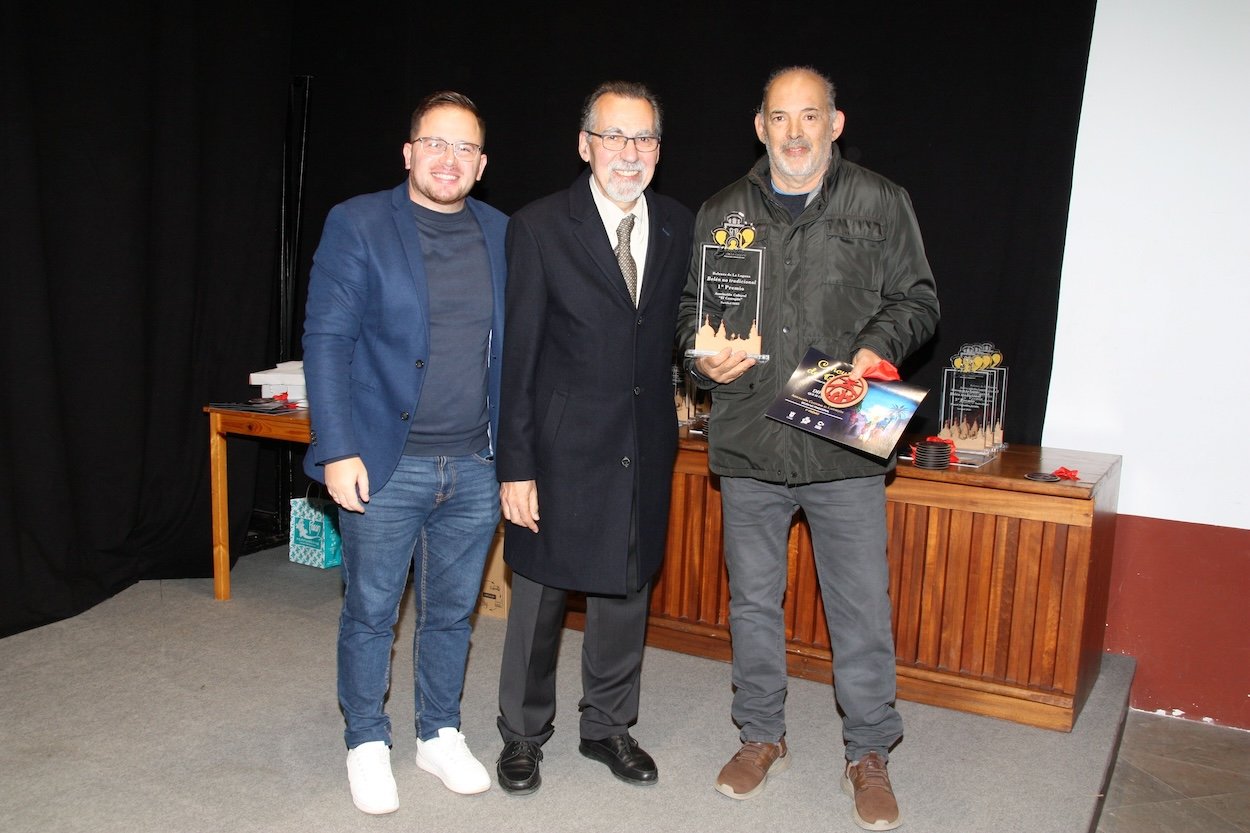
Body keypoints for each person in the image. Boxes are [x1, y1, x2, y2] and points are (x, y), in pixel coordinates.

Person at [677, 66, 939, 831]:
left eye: (810, 116)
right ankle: (761, 735)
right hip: (751, 436)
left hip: (843, 442)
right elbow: (693, 313)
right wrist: (701, 359)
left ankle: (868, 752)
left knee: (859, 606)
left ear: (836, 122)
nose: (795, 131)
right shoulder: (721, 210)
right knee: (753, 601)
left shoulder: (882, 202)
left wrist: (876, 348)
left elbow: (919, 298)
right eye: (780, 118)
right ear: (760, 127)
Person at [301, 90, 508, 814]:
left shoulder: (504, 232)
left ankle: (439, 733)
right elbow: (327, 339)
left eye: (465, 149)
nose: (448, 159)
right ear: (409, 151)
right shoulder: (357, 222)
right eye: (435, 143)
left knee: (453, 611)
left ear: (481, 165)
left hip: (477, 466)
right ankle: (365, 739)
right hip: (384, 463)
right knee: (372, 610)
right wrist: (336, 446)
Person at [492, 81, 694, 795]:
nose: (629, 153)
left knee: (625, 588)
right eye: (614, 137)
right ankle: (521, 733)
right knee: (540, 599)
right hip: (556, 450)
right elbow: (517, 359)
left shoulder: (677, 224)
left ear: (658, 152)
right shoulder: (539, 226)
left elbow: (679, 331)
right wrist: (514, 466)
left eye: (643, 139)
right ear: (585, 146)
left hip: (642, 441)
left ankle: (608, 723)